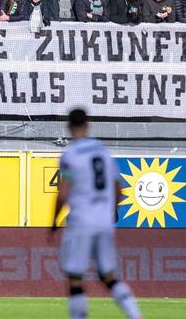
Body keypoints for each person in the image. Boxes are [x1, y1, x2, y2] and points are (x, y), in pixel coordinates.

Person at [51, 109, 143, 319]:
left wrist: (54, 221)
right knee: (108, 276)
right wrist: (112, 211)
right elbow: (118, 187)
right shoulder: (102, 151)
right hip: (103, 221)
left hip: (81, 221)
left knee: (75, 277)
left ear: (69, 126)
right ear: (88, 124)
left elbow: (62, 194)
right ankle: (136, 316)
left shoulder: (70, 156)